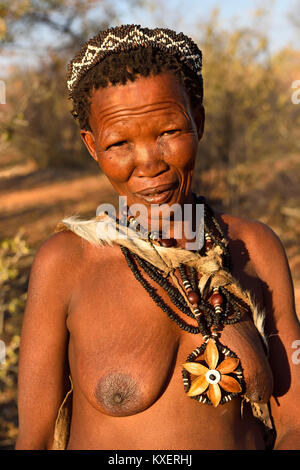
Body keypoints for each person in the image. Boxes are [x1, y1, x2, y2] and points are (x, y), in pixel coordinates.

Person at [15, 25, 300, 450]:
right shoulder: (67, 263)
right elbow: (33, 441)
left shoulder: (252, 248)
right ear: (93, 147)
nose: (148, 163)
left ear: (197, 121)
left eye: (168, 132)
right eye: (119, 143)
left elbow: (295, 422)